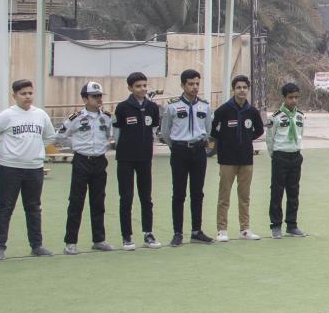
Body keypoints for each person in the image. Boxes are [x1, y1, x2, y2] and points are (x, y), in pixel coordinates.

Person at [0, 78, 53, 260]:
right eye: (23, 93)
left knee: (33, 208)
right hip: (10, 168)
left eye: (30, 93)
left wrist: (38, 150)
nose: (27, 96)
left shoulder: (41, 115)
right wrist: (3, 148)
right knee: (5, 207)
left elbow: (49, 136)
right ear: (14, 96)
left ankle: (37, 245)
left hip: (35, 168)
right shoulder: (7, 115)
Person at [59, 81, 115, 254]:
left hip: (99, 161)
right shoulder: (76, 118)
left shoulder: (107, 117)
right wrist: (76, 145)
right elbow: (60, 135)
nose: (99, 99)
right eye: (94, 96)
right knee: (76, 202)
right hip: (82, 161)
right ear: (85, 99)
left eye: (100, 96)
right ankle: (70, 242)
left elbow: (110, 135)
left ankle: (99, 239)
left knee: (98, 201)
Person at [211, 74, 265, 242]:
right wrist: (227, 141)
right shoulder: (223, 110)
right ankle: (222, 230)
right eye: (238, 88)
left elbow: (259, 130)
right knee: (224, 196)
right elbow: (213, 130)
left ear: (248, 90)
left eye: (244, 88)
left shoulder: (252, 111)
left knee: (244, 196)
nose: (242, 90)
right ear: (233, 90)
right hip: (227, 159)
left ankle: (245, 229)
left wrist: (247, 139)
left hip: (246, 159)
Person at [113, 71, 161, 250]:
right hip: (125, 159)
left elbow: (153, 129)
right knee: (126, 197)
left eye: (144, 85)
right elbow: (117, 131)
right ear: (130, 88)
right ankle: (127, 236)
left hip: (144, 158)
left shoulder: (153, 107)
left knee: (146, 197)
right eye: (138, 86)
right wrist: (124, 147)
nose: (142, 89)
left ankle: (148, 233)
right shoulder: (122, 107)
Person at [165, 69, 214, 247]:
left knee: (197, 192)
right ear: (182, 85)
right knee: (179, 193)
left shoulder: (205, 106)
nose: (194, 87)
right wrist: (176, 146)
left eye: (197, 84)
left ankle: (196, 231)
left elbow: (208, 129)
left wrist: (200, 143)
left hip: (198, 152)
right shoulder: (172, 106)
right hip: (179, 151)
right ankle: (177, 233)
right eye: (191, 84)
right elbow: (165, 131)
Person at [266, 82, 307, 238]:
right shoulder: (275, 117)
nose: (294, 100)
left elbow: (301, 134)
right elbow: (270, 138)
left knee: (293, 192)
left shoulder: (300, 116)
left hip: (295, 156)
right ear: (284, 98)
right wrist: (274, 155)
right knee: (277, 192)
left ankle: (292, 225)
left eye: (296, 97)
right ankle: (276, 225)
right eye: (290, 97)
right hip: (280, 156)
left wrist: (297, 150)